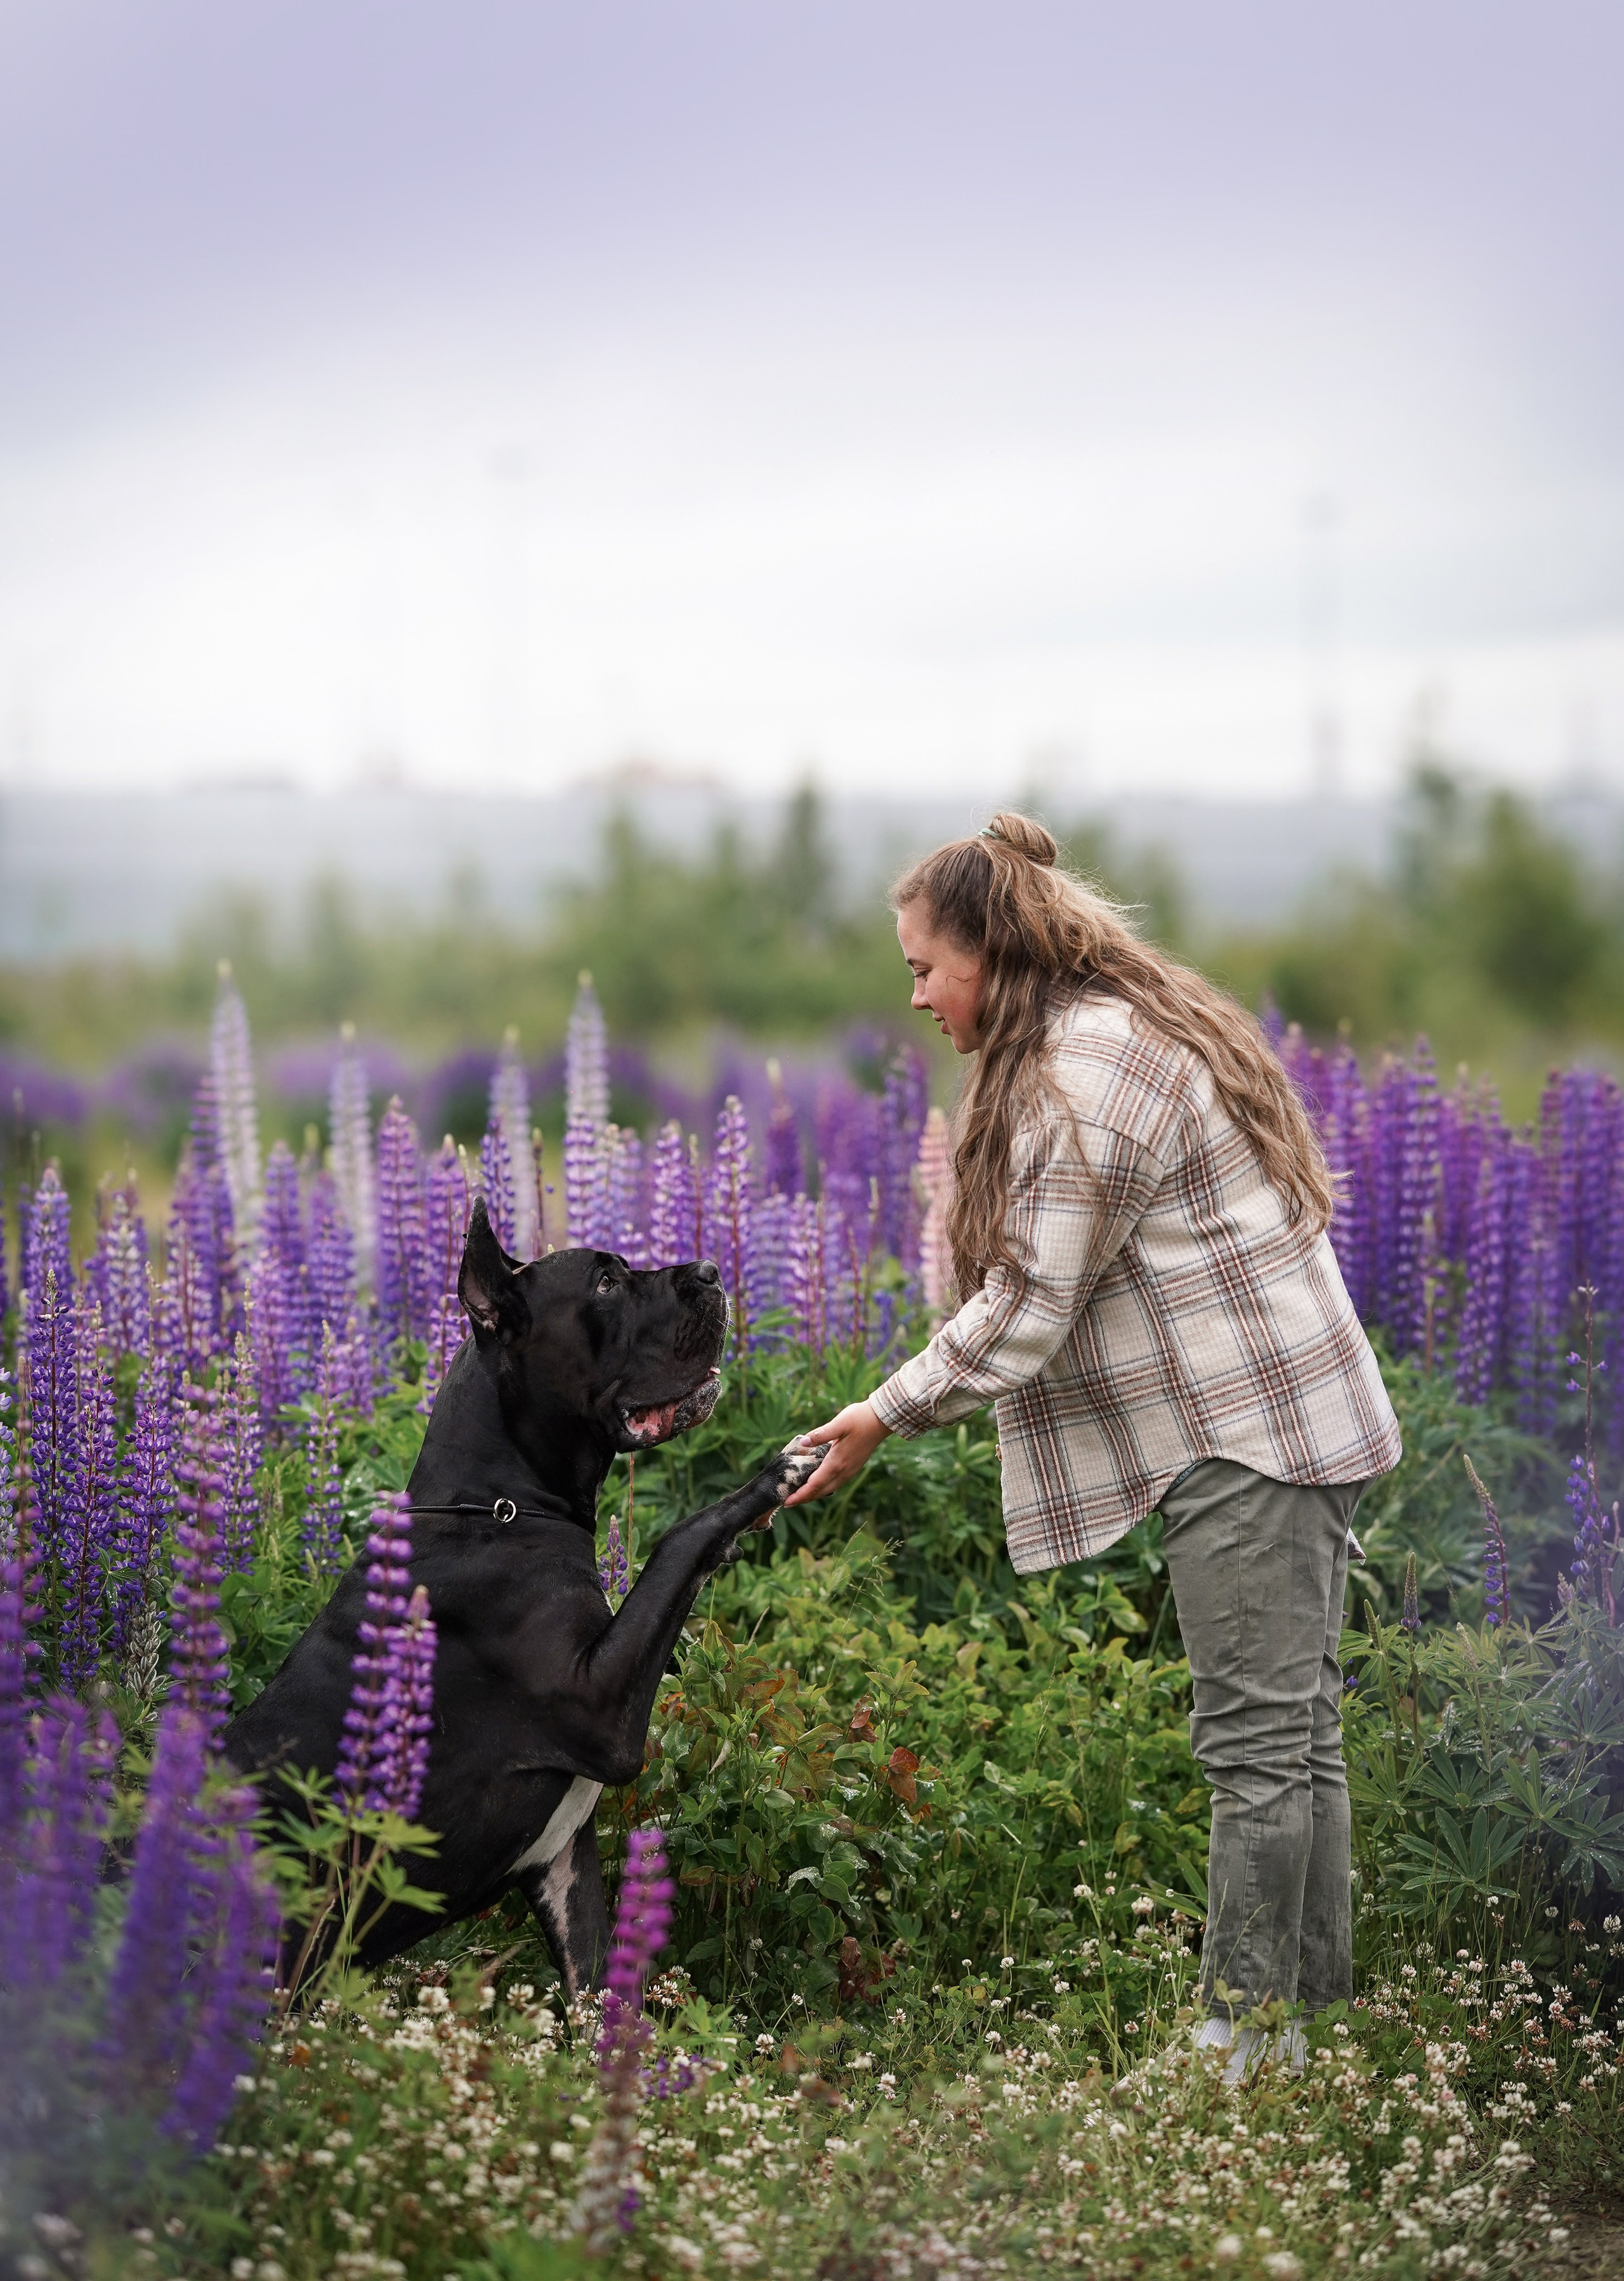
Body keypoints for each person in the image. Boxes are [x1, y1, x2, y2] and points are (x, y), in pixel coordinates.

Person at [789, 811, 1400, 2076]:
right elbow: (1015, 1282)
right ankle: (1306, 2034)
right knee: (1295, 1737)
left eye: (923, 966)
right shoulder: (1080, 1043)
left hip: (1254, 1432)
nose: (912, 996)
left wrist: (879, 1412)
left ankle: (1242, 2040)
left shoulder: (1088, 1065)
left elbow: (1025, 1301)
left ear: (991, 953)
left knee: (1254, 1749)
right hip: (1267, 1419)